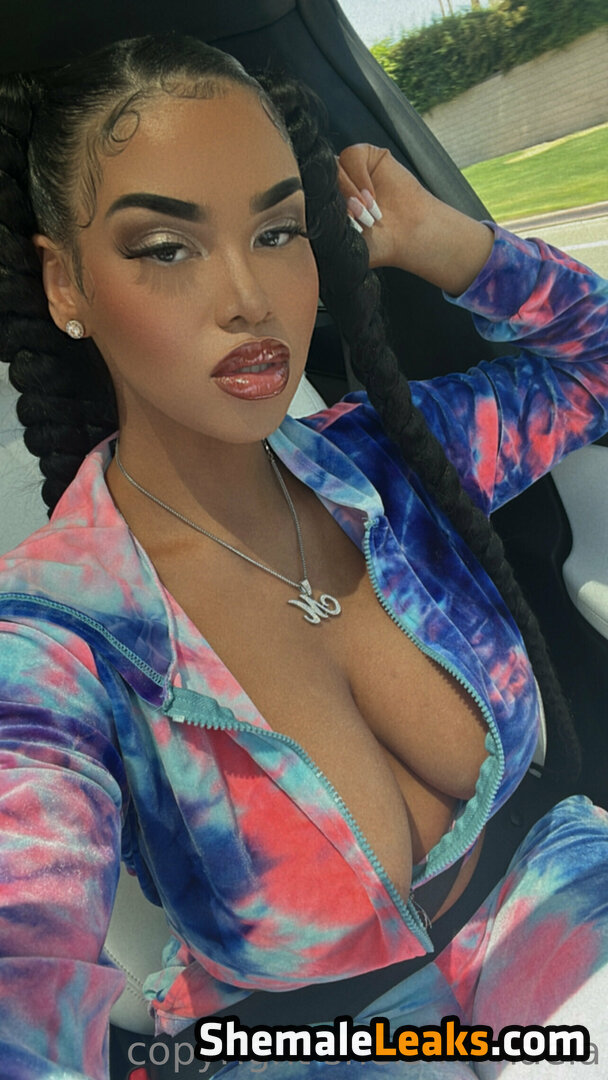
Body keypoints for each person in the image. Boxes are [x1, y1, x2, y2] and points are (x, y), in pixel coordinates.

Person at [0, 31, 606, 1080]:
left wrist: (442, 240)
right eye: (166, 247)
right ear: (66, 284)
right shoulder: (51, 636)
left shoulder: (393, 457)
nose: (250, 295)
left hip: (550, 897)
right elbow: (23, 965)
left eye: (278, 231)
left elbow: (592, 367)